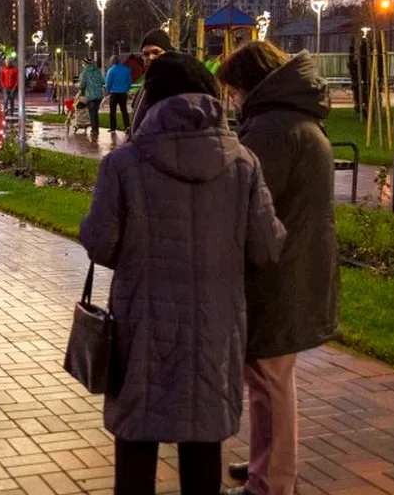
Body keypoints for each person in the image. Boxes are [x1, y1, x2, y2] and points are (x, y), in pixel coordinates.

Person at [80, 52, 284, 495]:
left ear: (149, 100)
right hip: (215, 329)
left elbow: (100, 243)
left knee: (136, 446)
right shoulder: (243, 163)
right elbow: (267, 246)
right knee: (203, 444)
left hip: (142, 328)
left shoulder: (124, 164)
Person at [216, 42, 339, 495]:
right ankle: (265, 463)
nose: (232, 100)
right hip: (295, 264)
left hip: (278, 271)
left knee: (269, 379)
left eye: (233, 91)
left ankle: (273, 481)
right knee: (269, 376)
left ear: (250, 84)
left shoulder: (271, 129)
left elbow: (247, 202)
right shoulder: (296, 119)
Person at [128, 28, 174, 134]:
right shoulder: (147, 83)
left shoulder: (175, 82)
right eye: (146, 54)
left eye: (156, 52)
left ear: (168, 53)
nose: (151, 57)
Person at [78, 57, 105, 138]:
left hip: (90, 95)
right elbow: (103, 82)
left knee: (92, 113)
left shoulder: (84, 72)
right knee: (95, 112)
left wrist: (82, 89)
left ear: (85, 64)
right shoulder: (98, 71)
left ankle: (94, 130)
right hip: (99, 95)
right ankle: (96, 128)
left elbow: (82, 84)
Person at [105, 55, 133, 133]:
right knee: (124, 110)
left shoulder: (111, 70)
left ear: (112, 61)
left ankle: (113, 128)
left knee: (112, 111)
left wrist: (108, 90)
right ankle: (127, 127)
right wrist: (126, 89)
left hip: (114, 93)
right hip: (123, 93)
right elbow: (129, 81)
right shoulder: (126, 69)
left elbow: (108, 82)